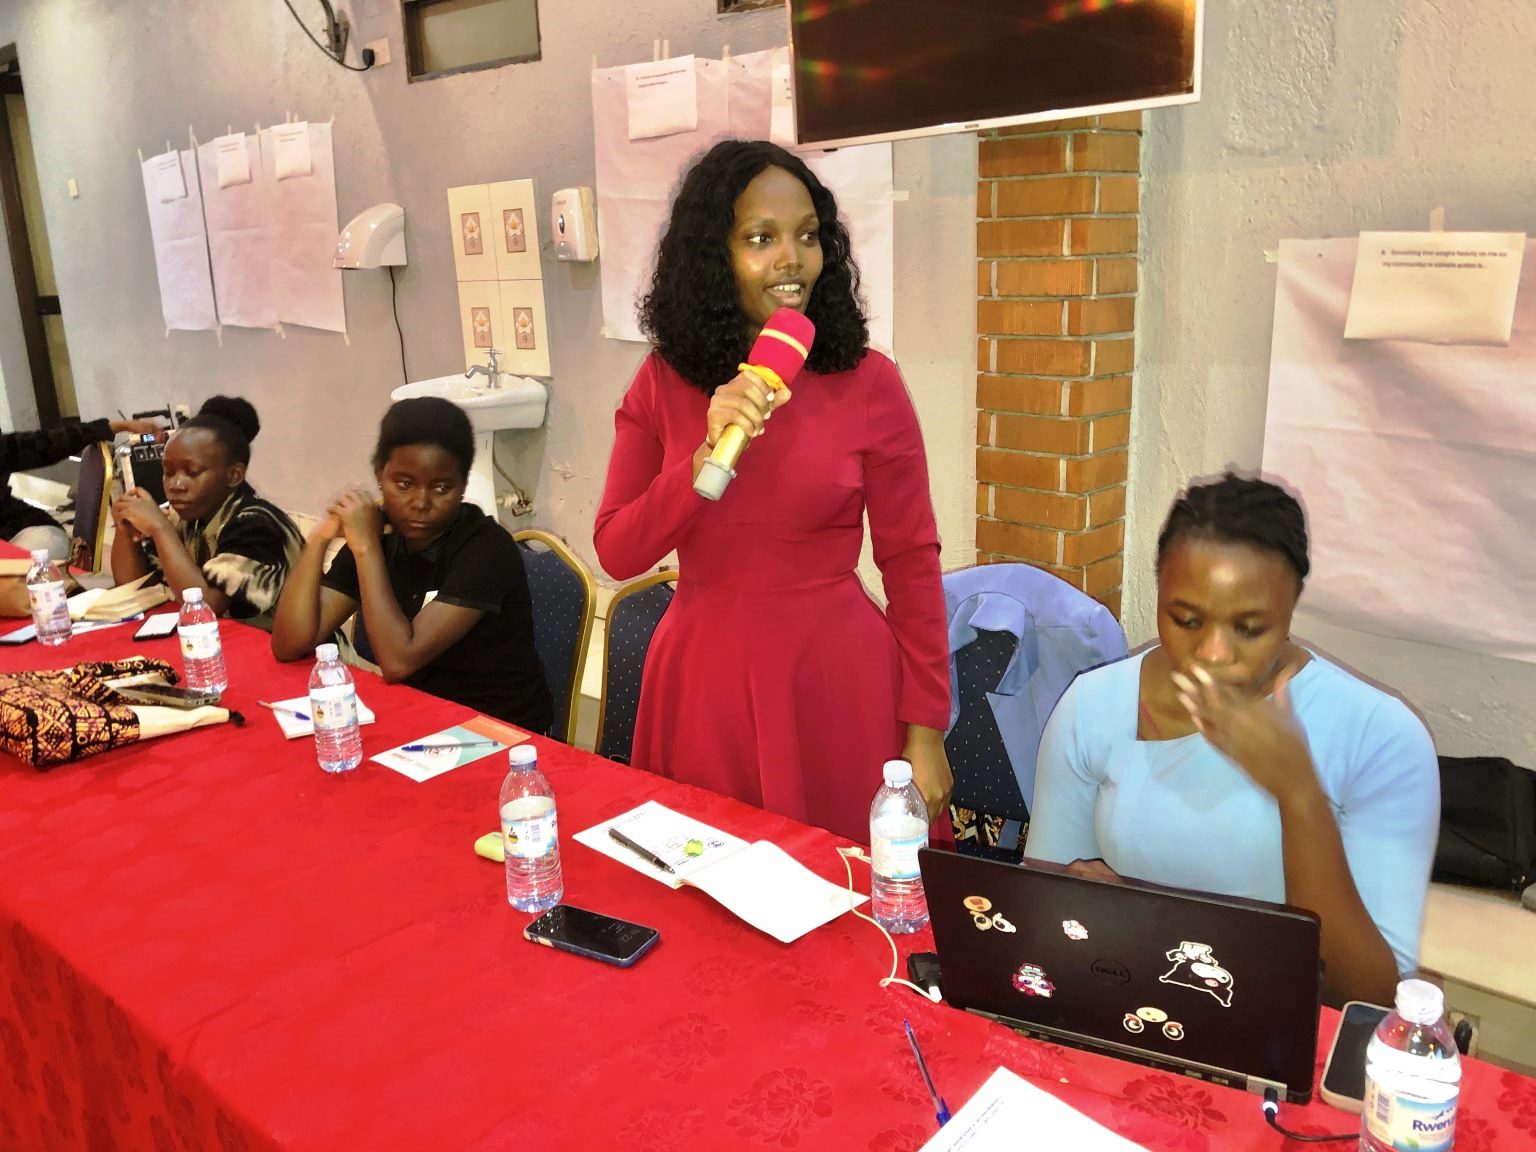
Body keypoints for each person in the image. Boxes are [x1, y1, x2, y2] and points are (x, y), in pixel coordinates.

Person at [593, 139, 952, 844]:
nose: (792, 259)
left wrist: (927, 727)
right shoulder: (662, 383)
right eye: (761, 238)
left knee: (853, 904)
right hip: (704, 684)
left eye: (808, 236)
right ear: (712, 257)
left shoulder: (869, 382)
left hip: (834, 679)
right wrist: (700, 461)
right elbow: (618, 549)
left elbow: (912, 563)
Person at [1023, 473, 1439, 1007]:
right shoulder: (1095, 707)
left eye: (1248, 627)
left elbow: (1367, 999)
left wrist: (1298, 791)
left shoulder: (1380, 738)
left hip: (1286, 1051)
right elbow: (1042, 921)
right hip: (1127, 1010)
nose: (1213, 653)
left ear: (1290, 608)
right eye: (1187, 619)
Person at [271, 397, 553, 734]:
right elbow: (290, 644)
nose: (420, 503)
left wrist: (364, 547)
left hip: (497, 729)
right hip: (417, 717)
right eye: (404, 484)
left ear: (463, 486)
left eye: (441, 488)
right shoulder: (380, 532)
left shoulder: (486, 548)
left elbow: (398, 661)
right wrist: (319, 539)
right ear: (380, 475)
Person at [110, 397, 301, 629]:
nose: (176, 484)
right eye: (168, 472)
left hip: (299, 657)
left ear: (234, 475)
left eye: (192, 472)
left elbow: (207, 606)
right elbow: (133, 584)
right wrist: (125, 525)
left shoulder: (256, 524)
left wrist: (160, 530)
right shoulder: (186, 515)